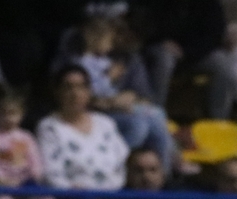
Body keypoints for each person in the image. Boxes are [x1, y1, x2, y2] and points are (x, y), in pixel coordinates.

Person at [69, 16, 175, 173]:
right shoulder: (82, 63)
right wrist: (109, 80)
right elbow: (93, 90)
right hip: (99, 110)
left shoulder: (109, 60)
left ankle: (164, 173)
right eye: (108, 40)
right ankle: (107, 165)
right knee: (139, 126)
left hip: (119, 106)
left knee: (157, 114)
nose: (111, 44)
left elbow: (143, 94)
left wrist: (131, 98)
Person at [37, 64, 130, 193]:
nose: (75, 94)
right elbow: (51, 173)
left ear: (89, 91)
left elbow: (121, 161)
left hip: (111, 197)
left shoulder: (105, 123)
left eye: (81, 87)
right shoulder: (49, 127)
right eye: (68, 87)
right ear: (57, 92)